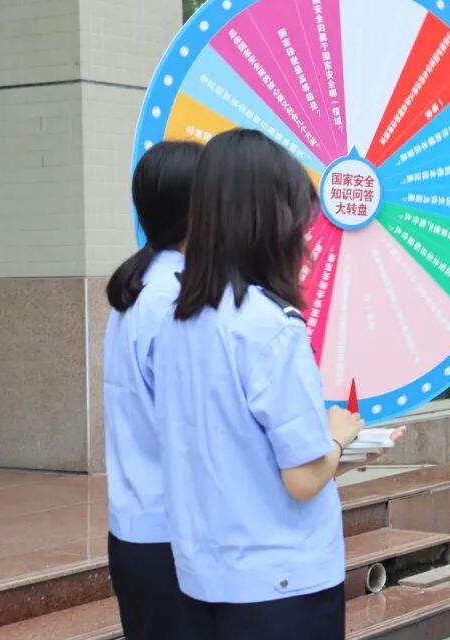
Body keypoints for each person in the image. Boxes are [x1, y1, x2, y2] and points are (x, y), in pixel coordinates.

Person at [151, 129, 399, 639]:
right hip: (281, 585)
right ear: (271, 224)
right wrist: (338, 438)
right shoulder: (270, 327)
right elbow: (302, 479)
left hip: (203, 576)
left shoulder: (177, 320)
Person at [102, 140, 200, 640]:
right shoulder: (174, 302)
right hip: (172, 536)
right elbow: (195, 426)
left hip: (136, 529)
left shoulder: (139, 290)